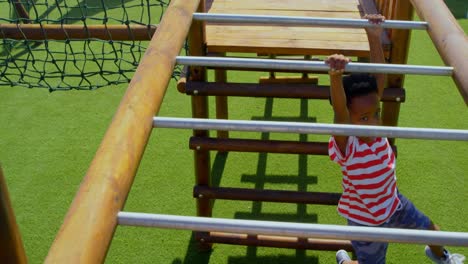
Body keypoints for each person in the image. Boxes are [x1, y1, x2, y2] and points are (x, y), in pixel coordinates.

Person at [326, 14, 466, 264]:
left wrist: (374, 37)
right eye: (365, 119)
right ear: (349, 120)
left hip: (394, 202)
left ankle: (441, 256)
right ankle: (347, 262)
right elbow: (339, 111)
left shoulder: (376, 132)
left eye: (376, 114)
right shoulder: (349, 143)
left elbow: (380, 77)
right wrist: (335, 78)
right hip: (366, 221)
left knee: (432, 230)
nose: (375, 122)